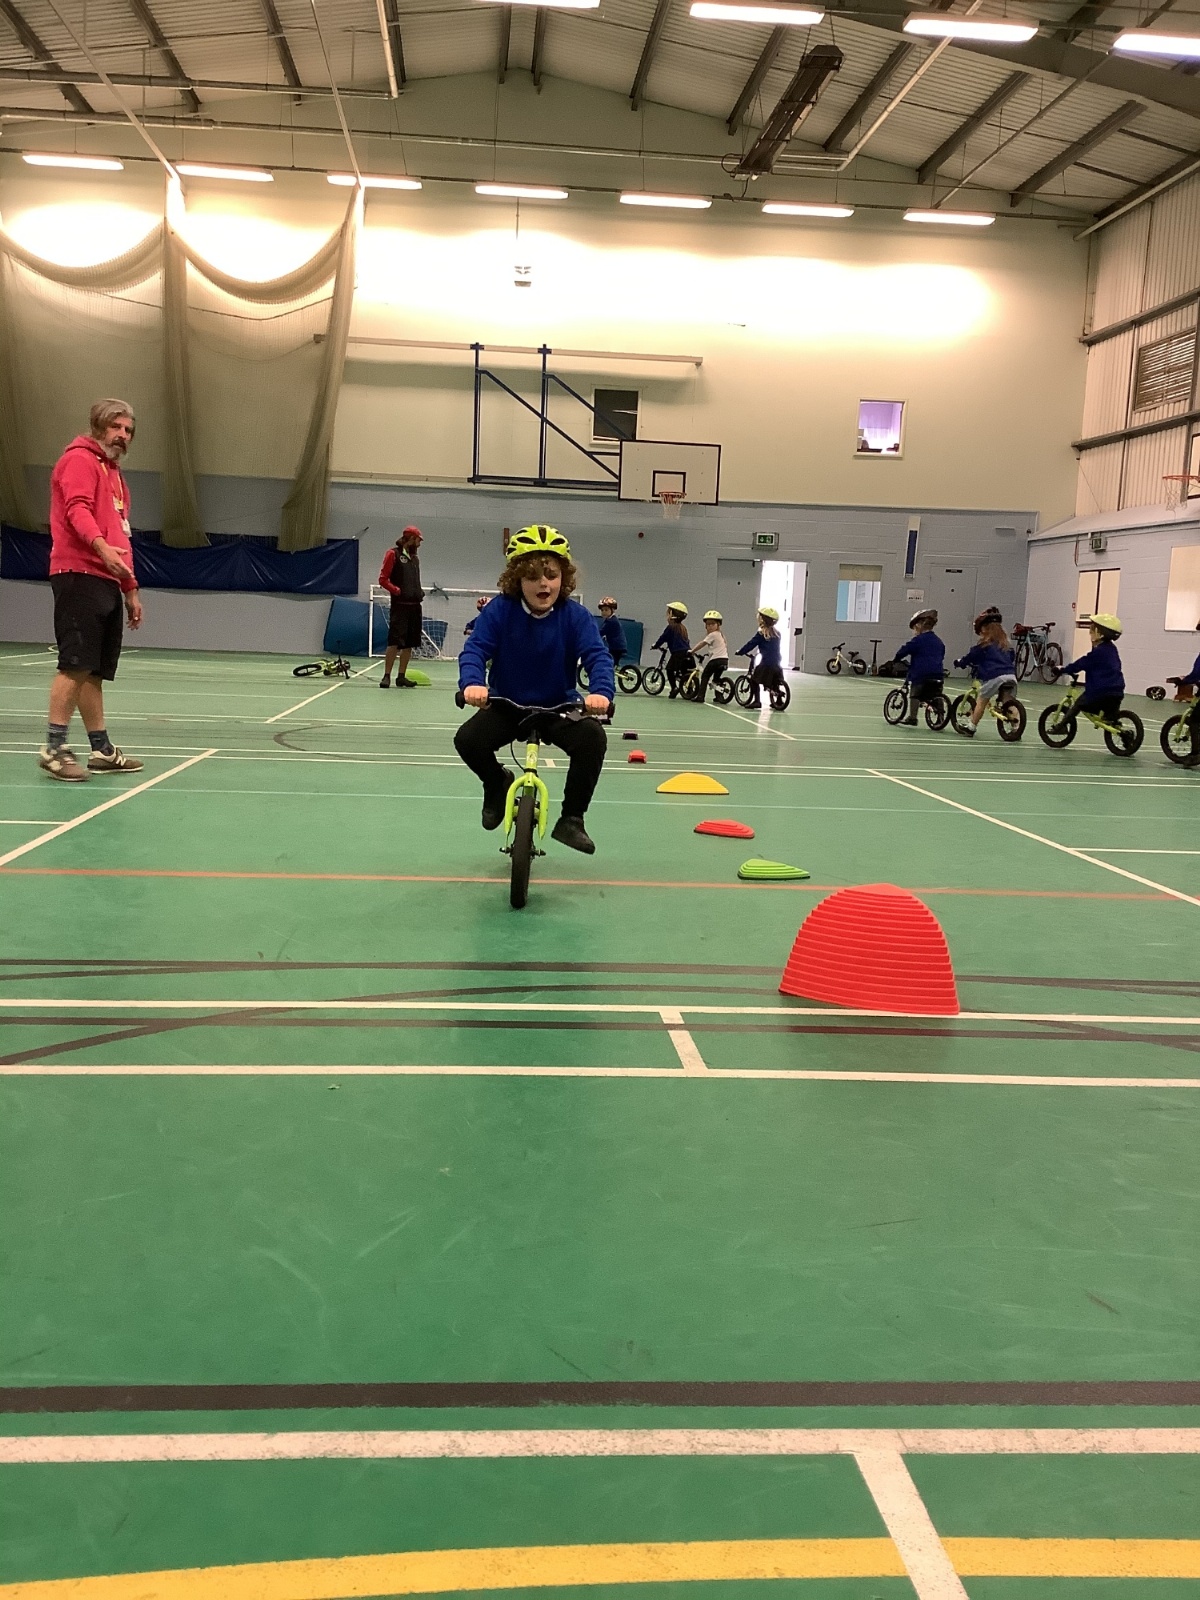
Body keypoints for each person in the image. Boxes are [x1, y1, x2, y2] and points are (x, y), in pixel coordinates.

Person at [455, 525, 613, 856]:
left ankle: (572, 819)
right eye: (532, 576)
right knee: (468, 740)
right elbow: (475, 650)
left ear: (563, 578)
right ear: (517, 580)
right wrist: (472, 684)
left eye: (552, 575)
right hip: (507, 704)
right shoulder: (500, 610)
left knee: (593, 738)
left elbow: (597, 656)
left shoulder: (575, 616)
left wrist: (601, 692)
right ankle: (496, 783)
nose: (544, 584)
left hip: (557, 707)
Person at [39, 399, 144, 782]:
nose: (122, 435)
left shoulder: (115, 476)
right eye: (116, 427)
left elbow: (121, 536)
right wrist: (100, 548)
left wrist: (130, 588)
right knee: (75, 665)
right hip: (78, 572)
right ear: (98, 427)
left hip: (107, 579)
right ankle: (53, 749)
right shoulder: (79, 461)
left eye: (128, 430)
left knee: (94, 672)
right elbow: (77, 510)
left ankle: (101, 750)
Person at [953, 615, 1018, 737]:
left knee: (982, 700)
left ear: (984, 629)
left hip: (995, 676)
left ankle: (971, 727)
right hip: (1011, 676)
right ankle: (1016, 728)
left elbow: (970, 657)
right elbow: (1012, 658)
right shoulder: (1006, 645)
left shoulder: (983, 646)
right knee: (1008, 701)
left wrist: (960, 663)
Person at [378, 525, 424, 688]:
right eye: (418, 540)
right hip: (400, 607)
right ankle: (386, 676)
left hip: (415, 606)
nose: (419, 544)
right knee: (394, 642)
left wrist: (419, 591)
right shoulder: (393, 554)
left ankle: (401, 676)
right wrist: (396, 591)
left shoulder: (415, 559)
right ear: (411, 539)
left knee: (409, 644)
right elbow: (383, 579)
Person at [1057, 612, 1125, 721]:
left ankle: (1061, 726)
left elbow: (1081, 663)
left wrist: (1064, 670)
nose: (1090, 633)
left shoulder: (1098, 652)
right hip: (1117, 692)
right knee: (1110, 717)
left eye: (1092, 630)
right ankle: (1113, 721)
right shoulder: (1112, 649)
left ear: (1100, 634)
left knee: (1079, 704)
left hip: (1100, 693)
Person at [892, 607, 945, 726]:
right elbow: (941, 655)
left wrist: (896, 659)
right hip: (938, 674)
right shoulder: (939, 641)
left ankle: (912, 717)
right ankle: (941, 718)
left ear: (919, 626)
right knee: (937, 694)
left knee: (915, 694)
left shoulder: (918, 640)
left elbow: (904, 650)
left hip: (921, 675)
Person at [737, 608, 784, 710]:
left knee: (754, 679)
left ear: (762, 620)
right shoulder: (777, 634)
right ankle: (779, 701)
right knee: (775, 681)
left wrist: (741, 651)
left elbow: (751, 644)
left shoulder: (762, 634)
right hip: (777, 662)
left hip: (766, 663)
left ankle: (757, 701)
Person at [653, 602, 692, 698]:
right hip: (687, 652)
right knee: (685, 672)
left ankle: (674, 687)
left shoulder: (671, 627)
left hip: (678, 653)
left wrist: (655, 645)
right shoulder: (683, 628)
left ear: (672, 615)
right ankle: (690, 690)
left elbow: (663, 638)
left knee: (669, 669)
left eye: (668, 613)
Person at [691, 610, 729, 702]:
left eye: (712, 624)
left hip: (716, 660)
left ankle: (700, 697)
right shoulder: (721, 635)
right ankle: (719, 696)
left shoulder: (713, 634)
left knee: (705, 676)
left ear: (718, 625)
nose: (710, 626)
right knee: (716, 679)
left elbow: (702, 643)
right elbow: (719, 647)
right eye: (708, 624)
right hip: (724, 660)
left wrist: (692, 651)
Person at [596, 597, 627, 668]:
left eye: (606, 610)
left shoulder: (611, 621)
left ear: (612, 610)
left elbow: (601, 631)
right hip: (617, 646)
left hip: (616, 647)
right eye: (602, 610)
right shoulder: (610, 620)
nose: (603, 612)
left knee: (608, 662)